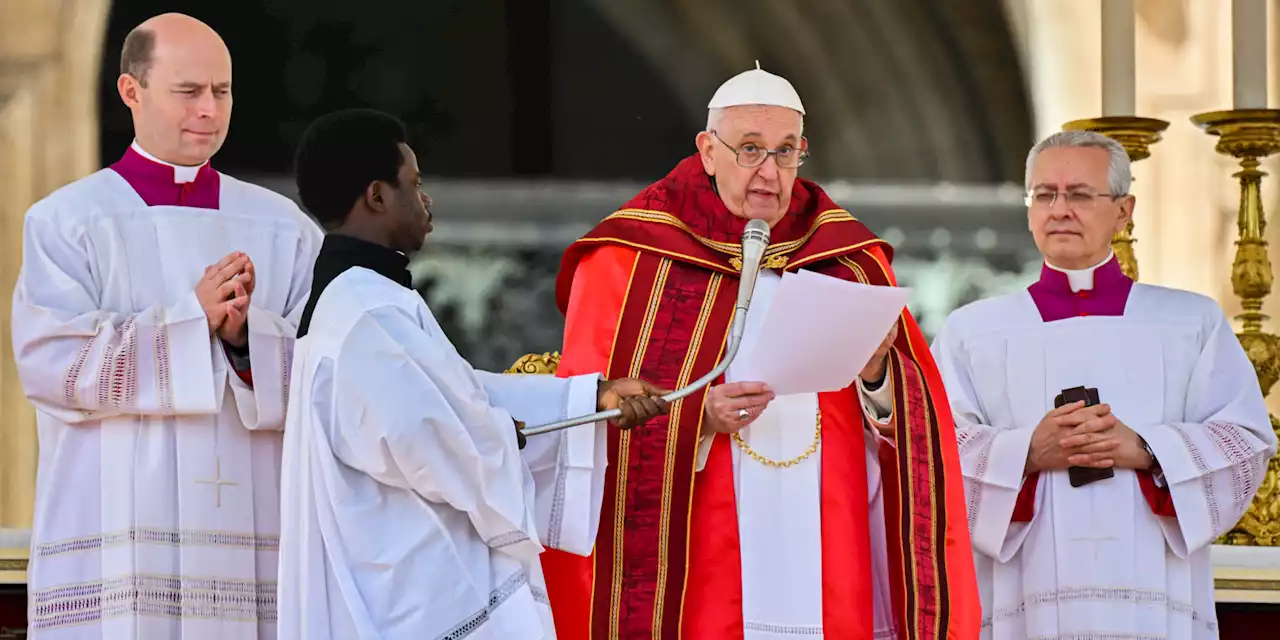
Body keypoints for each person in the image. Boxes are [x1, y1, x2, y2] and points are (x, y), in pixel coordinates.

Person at [541, 64, 980, 639]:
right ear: (707, 149)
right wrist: (698, 418)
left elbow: (917, 432)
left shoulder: (847, 258)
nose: (769, 172)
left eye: (786, 151)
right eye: (749, 150)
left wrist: (875, 374)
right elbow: (585, 416)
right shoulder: (631, 257)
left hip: (826, 532)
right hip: (703, 550)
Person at [277, 108, 671, 639]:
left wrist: (588, 398)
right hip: (411, 593)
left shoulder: (363, 298)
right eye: (413, 184)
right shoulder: (365, 312)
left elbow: (457, 394)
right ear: (376, 196)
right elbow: (432, 438)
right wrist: (501, 439)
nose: (426, 200)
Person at [8, 12, 322, 638]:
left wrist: (245, 340)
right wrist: (190, 320)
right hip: (121, 529)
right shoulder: (68, 221)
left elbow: (326, 367)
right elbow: (51, 365)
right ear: (132, 91)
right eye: (188, 91)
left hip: (249, 530)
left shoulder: (282, 226)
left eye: (221, 91)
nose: (208, 109)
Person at [931, 130, 1277, 639]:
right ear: (1029, 211)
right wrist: (1026, 453)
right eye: (1045, 194)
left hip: (1154, 599)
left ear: (1124, 210)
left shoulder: (1189, 322)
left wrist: (1147, 449)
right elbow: (934, 451)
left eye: (1080, 194)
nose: (1060, 209)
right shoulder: (973, 331)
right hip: (1025, 601)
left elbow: (1245, 441)